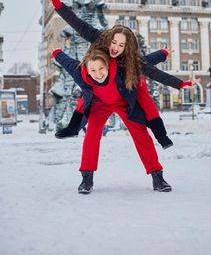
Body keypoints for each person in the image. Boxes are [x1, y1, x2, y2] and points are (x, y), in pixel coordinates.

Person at [49, 0, 192, 149]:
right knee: (87, 92)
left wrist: (178, 83)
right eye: (114, 42)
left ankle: (162, 137)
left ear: (126, 47)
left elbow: (150, 67)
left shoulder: (130, 60)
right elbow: (77, 23)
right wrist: (56, 2)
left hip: (127, 83)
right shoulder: (99, 38)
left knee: (146, 102)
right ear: (109, 38)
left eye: (121, 45)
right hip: (103, 81)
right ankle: (73, 128)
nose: (115, 48)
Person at [52, 47, 173, 194]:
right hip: (99, 103)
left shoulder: (123, 68)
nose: (98, 74)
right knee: (91, 135)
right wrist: (56, 52)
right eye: (93, 70)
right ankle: (86, 178)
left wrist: (163, 53)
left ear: (108, 65)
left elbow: (145, 61)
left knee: (141, 134)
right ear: (87, 70)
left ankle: (157, 177)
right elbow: (66, 61)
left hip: (124, 102)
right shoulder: (79, 71)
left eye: (101, 68)